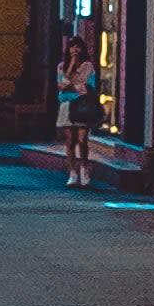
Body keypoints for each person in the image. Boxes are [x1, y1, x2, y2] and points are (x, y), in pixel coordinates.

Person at [57, 27, 97, 188]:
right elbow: (62, 85)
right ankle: (72, 172)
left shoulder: (88, 66)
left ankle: (84, 169)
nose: (75, 50)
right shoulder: (62, 66)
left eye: (78, 46)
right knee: (70, 141)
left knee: (82, 140)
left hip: (82, 105)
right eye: (72, 47)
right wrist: (72, 65)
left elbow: (88, 87)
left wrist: (71, 86)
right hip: (66, 104)